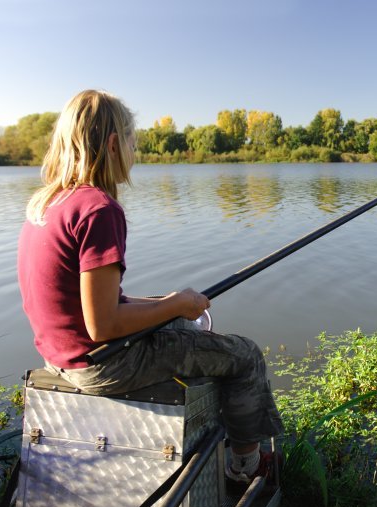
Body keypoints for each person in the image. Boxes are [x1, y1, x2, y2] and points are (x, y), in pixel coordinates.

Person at [17, 89, 283, 484]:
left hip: (61, 354)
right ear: (112, 145)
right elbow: (103, 326)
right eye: (131, 142)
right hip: (103, 363)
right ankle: (245, 465)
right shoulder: (99, 210)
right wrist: (176, 301)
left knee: (182, 326)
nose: (134, 151)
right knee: (244, 355)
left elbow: (88, 305)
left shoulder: (48, 203)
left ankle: (210, 431)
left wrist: (170, 305)